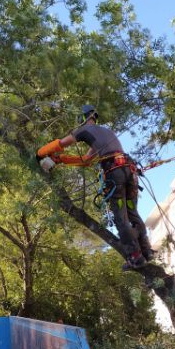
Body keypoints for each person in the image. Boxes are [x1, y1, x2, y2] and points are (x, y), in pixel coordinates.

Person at [36, 105, 152, 269]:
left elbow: (62, 143)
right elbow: (86, 160)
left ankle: (135, 257)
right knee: (132, 211)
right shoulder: (106, 132)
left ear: (82, 119)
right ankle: (146, 251)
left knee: (121, 217)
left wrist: (40, 153)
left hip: (115, 172)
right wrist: (61, 159)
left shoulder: (84, 130)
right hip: (130, 171)